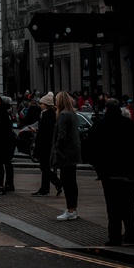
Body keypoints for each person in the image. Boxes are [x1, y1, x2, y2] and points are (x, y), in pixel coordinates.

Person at [87, 98, 134, 245]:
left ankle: (114, 236)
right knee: (129, 205)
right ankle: (131, 233)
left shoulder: (99, 127)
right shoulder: (130, 125)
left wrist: (99, 166)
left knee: (113, 207)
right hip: (129, 173)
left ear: (106, 109)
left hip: (109, 174)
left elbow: (90, 150)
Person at [52, 91, 81, 221]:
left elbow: (61, 136)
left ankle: (70, 210)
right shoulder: (73, 114)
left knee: (67, 181)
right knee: (72, 182)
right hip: (73, 153)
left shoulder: (63, 115)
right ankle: (72, 209)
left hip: (65, 154)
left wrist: (57, 149)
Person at [32, 92, 63, 197]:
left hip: (45, 145)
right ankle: (44, 189)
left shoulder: (47, 114)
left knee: (44, 167)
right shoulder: (48, 114)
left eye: (41, 103)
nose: (40, 105)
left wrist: (37, 132)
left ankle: (58, 183)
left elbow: (45, 132)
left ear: (46, 104)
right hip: (46, 144)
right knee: (45, 167)